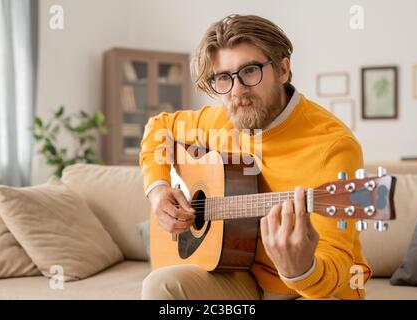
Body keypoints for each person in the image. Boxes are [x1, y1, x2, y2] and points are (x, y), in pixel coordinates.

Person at [139, 14, 371, 300]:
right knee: (160, 286)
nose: (237, 91)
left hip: (305, 289)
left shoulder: (333, 146)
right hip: (239, 271)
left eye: (250, 71)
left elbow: (338, 260)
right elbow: (158, 129)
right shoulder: (220, 119)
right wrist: (158, 190)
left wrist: (301, 269)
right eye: (223, 77)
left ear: (283, 69)